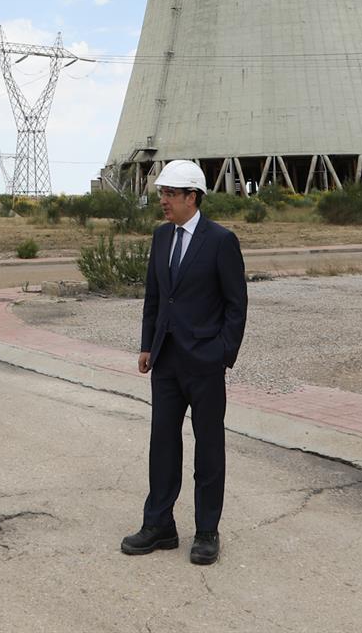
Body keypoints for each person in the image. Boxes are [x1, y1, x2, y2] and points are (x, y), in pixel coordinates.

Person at [121, 159, 247, 567]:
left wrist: (222, 354)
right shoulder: (161, 238)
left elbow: (236, 305)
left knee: (208, 448)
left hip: (205, 363)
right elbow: (154, 298)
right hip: (167, 361)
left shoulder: (220, 240)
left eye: (170, 194)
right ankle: (159, 525)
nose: (163, 201)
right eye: (162, 194)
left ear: (193, 197)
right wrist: (146, 345)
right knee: (162, 443)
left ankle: (207, 530)